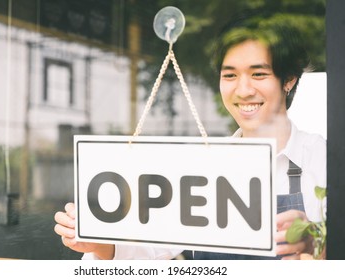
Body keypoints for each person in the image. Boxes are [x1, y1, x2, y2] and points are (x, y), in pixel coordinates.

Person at [54, 13, 326, 260]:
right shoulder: (204, 165)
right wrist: (99, 243)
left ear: (289, 79)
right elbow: (150, 246)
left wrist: (318, 245)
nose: (243, 90)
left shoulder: (325, 161)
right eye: (229, 75)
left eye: (258, 74)